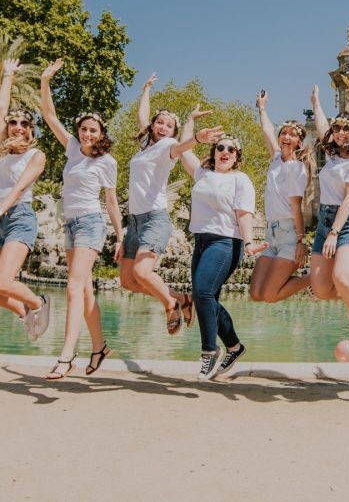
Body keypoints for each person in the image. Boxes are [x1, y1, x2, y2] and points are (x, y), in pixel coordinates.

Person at [39, 59, 123, 380]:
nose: (87, 133)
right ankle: (100, 347)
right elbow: (49, 115)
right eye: (83, 128)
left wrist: (120, 236)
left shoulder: (107, 162)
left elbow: (112, 202)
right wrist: (46, 80)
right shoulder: (72, 148)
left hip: (91, 223)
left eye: (93, 129)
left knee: (73, 288)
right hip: (71, 224)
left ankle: (66, 356)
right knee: (85, 292)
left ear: (101, 134)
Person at [119, 74, 221, 336]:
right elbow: (142, 117)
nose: (163, 127)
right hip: (133, 222)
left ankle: (170, 303)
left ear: (173, 131)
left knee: (143, 272)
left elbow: (182, 147)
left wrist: (197, 138)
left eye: (169, 125)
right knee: (128, 281)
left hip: (154, 219)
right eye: (160, 122)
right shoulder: (144, 146)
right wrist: (146, 90)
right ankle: (182, 298)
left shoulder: (169, 146)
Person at [179, 116, 267, 380]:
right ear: (214, 152)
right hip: (201, 241)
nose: (225, 152)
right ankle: (235, 347)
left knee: (202, 292)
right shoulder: (203, 173)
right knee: (208, 299)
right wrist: (190, 123)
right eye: (220, 148)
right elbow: (183, 152)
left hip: (226, 241)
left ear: (237, 156)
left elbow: (243, 213)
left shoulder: (241, 180)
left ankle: (209, 351)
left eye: (230, 149)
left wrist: (249, 242)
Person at [0, 57, 50, 341]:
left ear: (31, 130)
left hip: (18, 219)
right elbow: (1, 108)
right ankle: (24, 313)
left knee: (2, 282)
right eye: (13, 122)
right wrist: (7, 76)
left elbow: (19, 189)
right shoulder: (3, 151)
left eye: (24, 123)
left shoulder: (36, 156)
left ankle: (39, 302)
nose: (17, 126)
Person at [309, 85, 349, 350]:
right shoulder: (333, 154)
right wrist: (316, 102)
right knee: (322, 291)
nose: (341, 133)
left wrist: (334, 232)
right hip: (324, 221)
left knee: (342, 277)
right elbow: (324, 127)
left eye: (347, 129)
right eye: (337, 129)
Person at [249, 90, 313, 303]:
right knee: (256, 294)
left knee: (269, 296)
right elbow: (266, 130)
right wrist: (262, 109)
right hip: (271, 234)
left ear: (298, 142)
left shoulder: (297, 168)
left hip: (289, 236)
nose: (286, 137)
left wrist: (301, 242)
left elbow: (296, 207)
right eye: (283, 133)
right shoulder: (277, 158)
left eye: (292, 134)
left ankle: (313, 278)